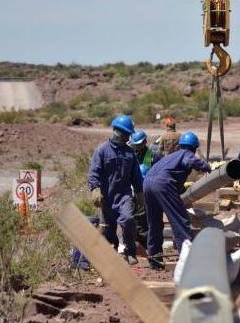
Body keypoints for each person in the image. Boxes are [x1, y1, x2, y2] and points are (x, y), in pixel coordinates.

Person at [143, 131, 211, 270]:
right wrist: (206, 167)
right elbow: (190, 161)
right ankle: (187, 258)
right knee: (180, 221)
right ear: (194, 147)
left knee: (154, 223)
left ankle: (154, 258)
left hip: (147, 183)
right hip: (163, 184)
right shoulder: (187, 154)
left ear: (180, 145)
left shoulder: (171, 156)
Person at [88, 115, 143, 265]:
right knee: (108, 228)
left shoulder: (130, 153)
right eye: (126, 134)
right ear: (117, 132)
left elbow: (136, 175)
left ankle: (130, 252)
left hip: (124, 196)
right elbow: (94, 172)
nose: (127, 137)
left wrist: (139, 193)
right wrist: (95, 189)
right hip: (107, 197)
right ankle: (113, 252)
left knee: (128, 219)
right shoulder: (102, 151)